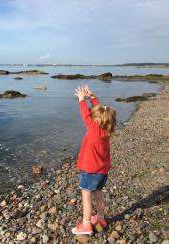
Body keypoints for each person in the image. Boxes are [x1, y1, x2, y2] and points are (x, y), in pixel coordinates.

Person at [72, 84, 117, 235]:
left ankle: (86, 225)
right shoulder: (106, 130)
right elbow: (101, 113)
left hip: (91, 171)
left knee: (86, 199)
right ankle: (101, 218)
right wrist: (93, 97)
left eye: (93, 117)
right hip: (102, 171)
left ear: (97, 121)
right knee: (98, 195)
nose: (91, 117)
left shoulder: (94, 129)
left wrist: (81, 100)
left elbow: (85, 114)